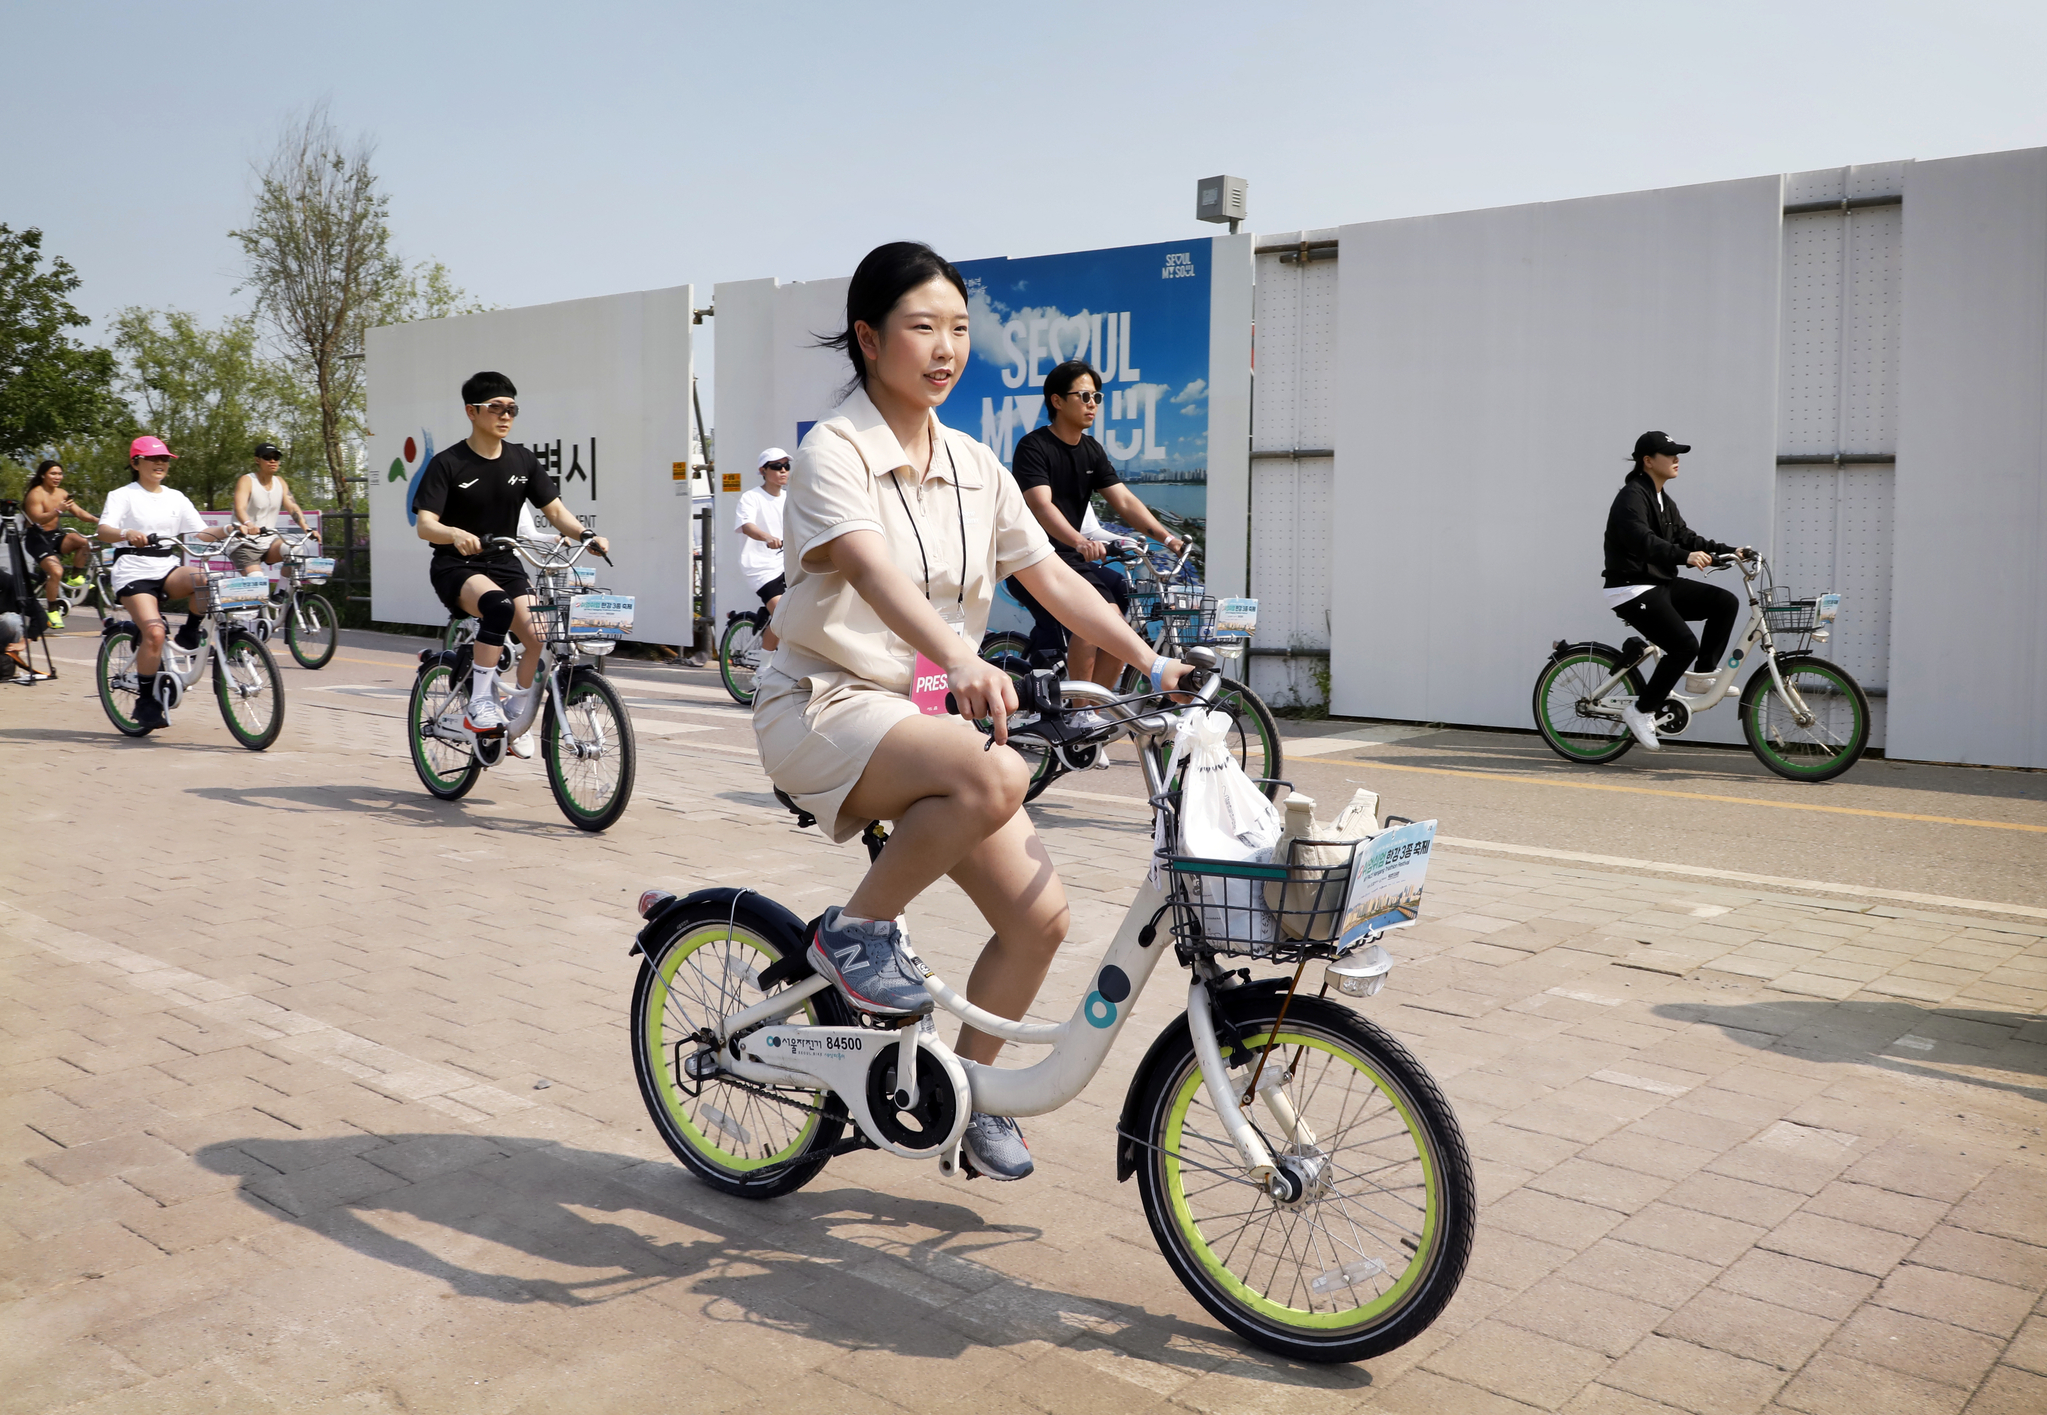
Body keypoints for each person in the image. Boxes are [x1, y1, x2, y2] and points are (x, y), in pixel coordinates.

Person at [752, 242, 1196, 1181]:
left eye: (958, 328)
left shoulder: (974, 464)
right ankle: (851, 934)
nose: (945, 347)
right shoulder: (833, 450)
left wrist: (1153, 665)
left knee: (1041, 921)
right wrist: (960, 656)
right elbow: (869, 572)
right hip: (822, 703)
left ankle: (970, 1097)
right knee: (996, 766)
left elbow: (1054, 581)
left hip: (919, 723)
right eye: (922, 327)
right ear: (870, 340)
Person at [412, 371, 607, 740]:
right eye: (495, 408)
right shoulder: (448, 463)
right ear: (472, 411)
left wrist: (584, 534)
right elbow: (425, 525)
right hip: (457, 566)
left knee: (538, 634)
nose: (505, 416)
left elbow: (555, 512)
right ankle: (481, 702)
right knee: (498, 607)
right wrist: (454, 533)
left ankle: (517, 714)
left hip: (504, 562)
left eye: (512, 409)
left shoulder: (522, 461)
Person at [1007, 360, 1184, 687]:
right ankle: (1078, 714)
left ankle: (1096, 715)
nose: (1092, 404)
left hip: (1069, 560)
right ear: (1057, 401)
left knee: (1120, 626)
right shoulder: (1034, 447)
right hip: (1032, 560)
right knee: (1097, 619)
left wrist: (1167, 538)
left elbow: (1125, 501)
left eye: (1097, 397)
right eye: (1084, 396)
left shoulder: (1091, 450)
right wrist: (1079, 541)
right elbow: (1041, 505)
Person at [96, 437, 259, 731]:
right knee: (155, 633)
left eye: (165, 460)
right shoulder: (122, 495)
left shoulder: (176, 497)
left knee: (206, 581)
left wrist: (231, 528)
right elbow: (103, 530)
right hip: (133, 571)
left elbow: (201, 533)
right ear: (136, 463)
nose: (161, 464)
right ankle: (146, 701)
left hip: (166, 565)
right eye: (153, 459)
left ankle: (188, 634)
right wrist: (126, 532)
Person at [1603, 431, 1750, 751]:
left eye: (1677, 454)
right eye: (1669, 454)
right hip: (1631, 588)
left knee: (1724, 602)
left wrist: (1731, 550)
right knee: (1684, 645)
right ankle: (1641, 710)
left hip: (1658, 583)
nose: (1676, 459)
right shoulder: (1631, 497)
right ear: (1648, 461)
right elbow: (1643, 540)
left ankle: (1702, 675)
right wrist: (1684, 557)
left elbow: (1685, 536)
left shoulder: (1661, 499)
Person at [22, 460, 100, 629]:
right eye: (53, 473)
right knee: (57, 571)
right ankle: (52, 609)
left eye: (59, 474)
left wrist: (98, 520)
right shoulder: (35, 494)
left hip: (55, 535)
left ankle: (75, 577)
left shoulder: (62, 493)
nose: (57, 477)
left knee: (85, 542)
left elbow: (79, 512)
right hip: (37, 539)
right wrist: (58, 510)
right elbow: (36, 519)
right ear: (43, 475)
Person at [230, 443, 315, 579]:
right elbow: (239, 508)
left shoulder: (280, 482)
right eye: (267, 457)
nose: (273, 461)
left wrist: (306, 528)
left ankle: (281, 593)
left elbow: (292, 507)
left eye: (276, 457)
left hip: (269, 541)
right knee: (257, 580)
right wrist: (249, 524)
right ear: (257, 460)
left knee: (296, 552)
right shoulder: (247, 480)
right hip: (244, 543)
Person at [734, 448, 789, 651]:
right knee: (782, 613)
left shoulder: (789, 498)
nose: (783, 470)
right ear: (763, 470)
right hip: (761, 567)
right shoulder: (751, 498)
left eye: (786, 466)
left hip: (786, 562)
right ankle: (764, 669)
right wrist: (767, 537)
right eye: (776, 466)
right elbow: (747, 525)